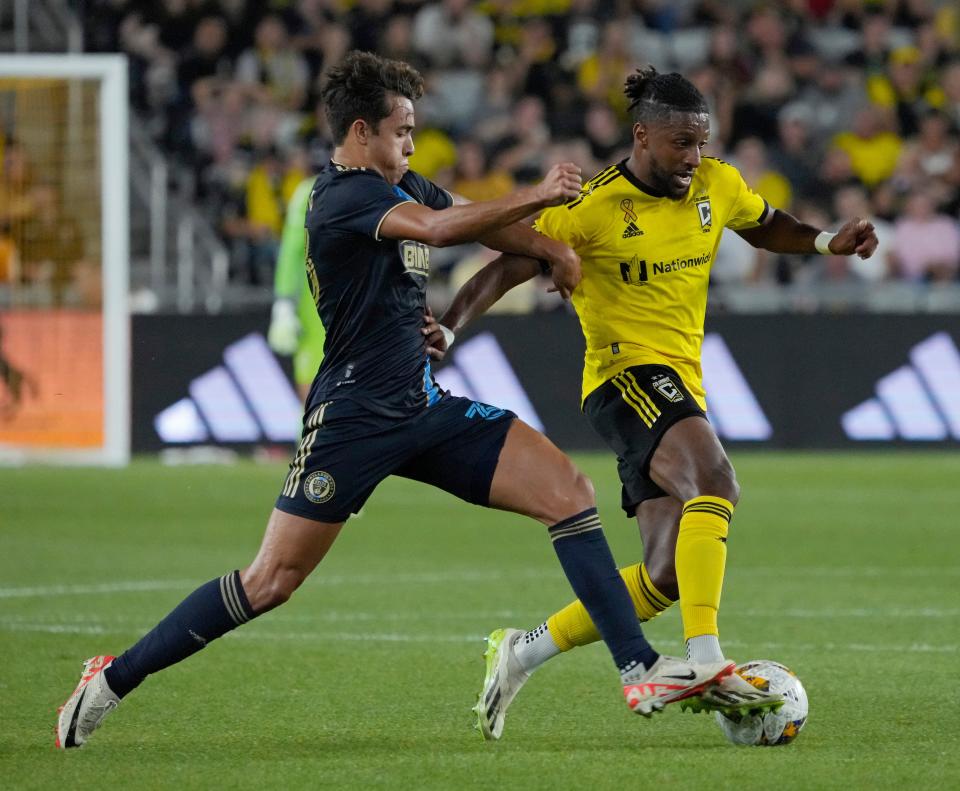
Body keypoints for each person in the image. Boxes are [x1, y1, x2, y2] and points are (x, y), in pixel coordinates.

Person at [55, 52, 735, 750]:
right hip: (352, 417)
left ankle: (638, 666)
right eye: (402, 130)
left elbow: (472, 221)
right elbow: (439, 231)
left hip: (421, 405)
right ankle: (113, 676)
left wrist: (550, 251)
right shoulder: (343, 198)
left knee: (569, 490)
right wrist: (538, 193)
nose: (411, 144)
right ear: (360, 132)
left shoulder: (403, 181)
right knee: (271, 580)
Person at [427, 65, 878, 740]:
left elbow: (762, 224)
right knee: (717, 481)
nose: (692, 157)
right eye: (679, 144)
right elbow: (512, 264)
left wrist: (822, 241)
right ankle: (706, 661)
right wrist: (453, 323)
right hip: (622, 375)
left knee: (664, 575)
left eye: (700, 143)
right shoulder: (595, 205)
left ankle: (523, 650)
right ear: (641, 136)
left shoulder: (715, 183)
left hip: (679, 383)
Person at [267, 174, 326, 403]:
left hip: (363, 313)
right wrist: (283, 301)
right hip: (317, 311)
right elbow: (291, 250)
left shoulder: (384, 188)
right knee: (314, 395)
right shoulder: (311, 192)